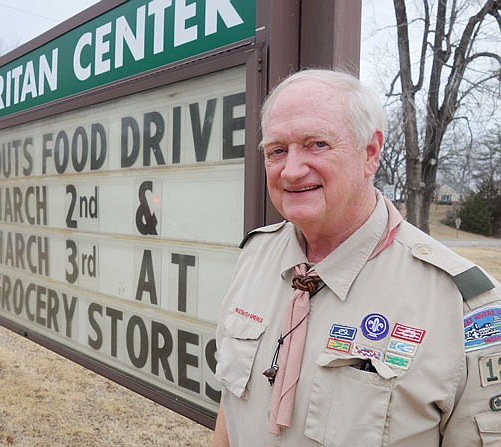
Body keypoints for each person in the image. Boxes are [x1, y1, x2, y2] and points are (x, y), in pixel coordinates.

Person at [212, 69, 501, 446]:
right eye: (277, 150)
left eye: (317, 144)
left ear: (370, 153)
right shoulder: (256, 255)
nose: (292, 170)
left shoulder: (462, 303)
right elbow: (232, 404)